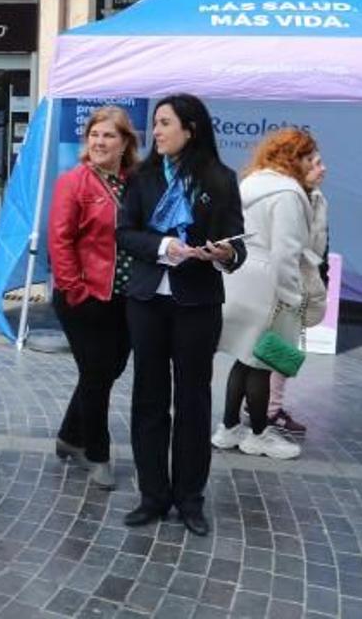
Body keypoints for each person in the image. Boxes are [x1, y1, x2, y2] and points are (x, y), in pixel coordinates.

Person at [117, 93, 246, 537]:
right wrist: (161, 246)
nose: (155, 132)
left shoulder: (221, 179)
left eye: (164, 123)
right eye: (155, 124)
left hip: (198, 303)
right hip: (148, 302)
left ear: (190, 129)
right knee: (149, 399)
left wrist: (227, 253)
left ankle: (190, 499)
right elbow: (125, 233)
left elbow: (238, 245)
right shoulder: (142, 176)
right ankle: (152, 496)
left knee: (193, 402)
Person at [213, 129, 324, 460]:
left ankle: (229, 428)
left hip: (240, 279)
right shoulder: (288, 193)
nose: (313, 164)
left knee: (244, 359)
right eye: (308, 157)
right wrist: (292, 299)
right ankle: (259, 435)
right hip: (268, 285)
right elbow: (286, 253)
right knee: (262, 362)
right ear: (295, 158)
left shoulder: (253, 183)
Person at [48, 106, 140, 490]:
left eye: (109, 136)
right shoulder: (75, 182)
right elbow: (60, 239)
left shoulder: (133, 183)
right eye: (95, 135)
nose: (100, 142)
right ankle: (96, 453)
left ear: (125, 144)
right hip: (84, 297)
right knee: (98, 375)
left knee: (104, 371)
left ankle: (70, 436)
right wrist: (76, 291)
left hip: (124, 297)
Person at [269, 151, 329, 436]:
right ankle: (265, 412)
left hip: (303, 281)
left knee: (285, 348)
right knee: (271, 349)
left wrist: (319, 278)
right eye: (315, 164)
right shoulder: (286, 197)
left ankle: (268, 407)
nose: (322, 169)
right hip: (279, 282)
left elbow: (319, 246)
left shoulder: (318, 199)